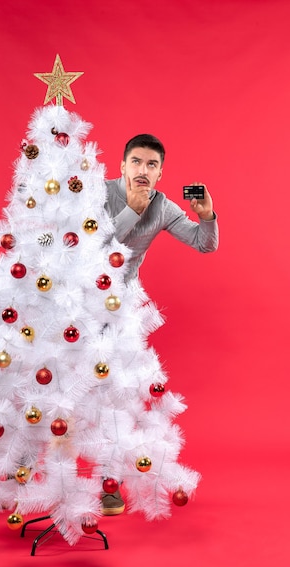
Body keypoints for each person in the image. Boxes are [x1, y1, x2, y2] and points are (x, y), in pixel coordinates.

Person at [101, 134, 219, 515]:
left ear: (161, 173)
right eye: (136, 162)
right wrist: (131, 212)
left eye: (151, 165)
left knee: (118, 397)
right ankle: (22, 467)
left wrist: (206, 215)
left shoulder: (163, 207)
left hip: (124, 310)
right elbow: (87, 246)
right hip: (78, 303)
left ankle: (109, 483)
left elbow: (205, 244)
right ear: (122, 166)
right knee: (62, 386)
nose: (142, 171)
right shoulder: (96, 194)